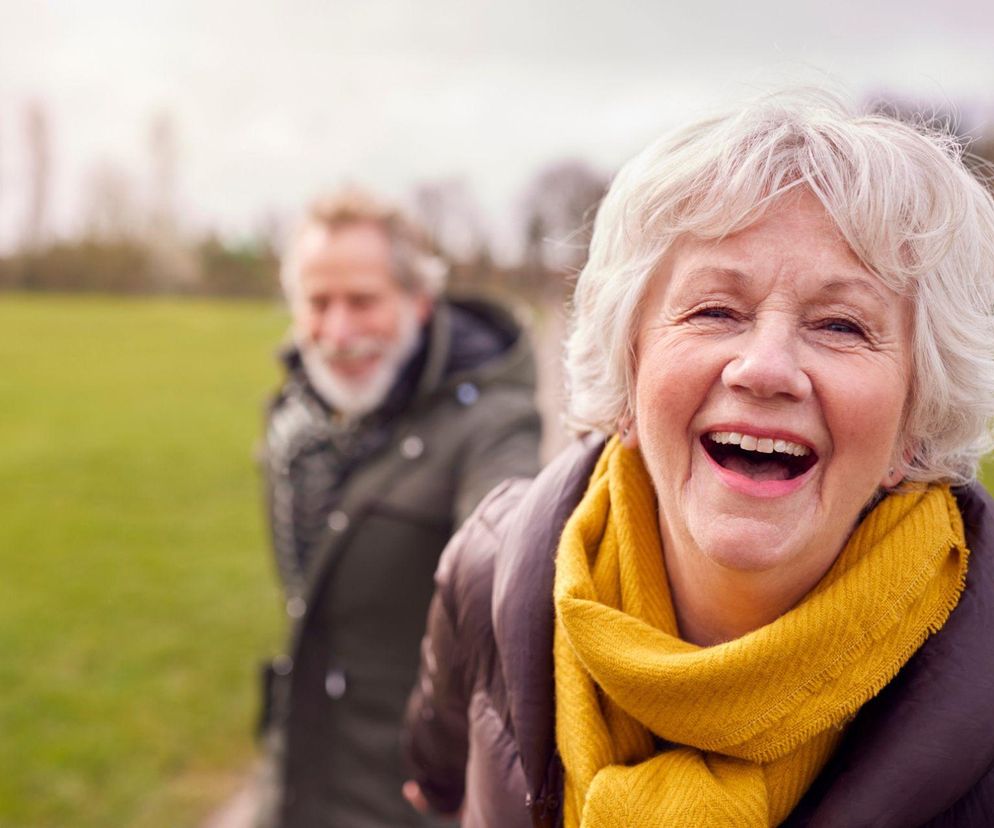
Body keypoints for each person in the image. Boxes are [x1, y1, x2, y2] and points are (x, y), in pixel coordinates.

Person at [403, 89, 994, 827]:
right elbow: (436, 781)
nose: (765, 368)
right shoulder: (488, 567)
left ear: (918, 416)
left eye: (841, 325)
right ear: (628, 369)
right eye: (716, 311)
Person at [257, 189, 542, 827]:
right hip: (296, 779)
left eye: (362, 301)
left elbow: (508, 546)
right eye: (317, 303)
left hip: (406, 801)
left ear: (418, 301)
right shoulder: (295, 419)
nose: (337, 331)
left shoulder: (493, 422)